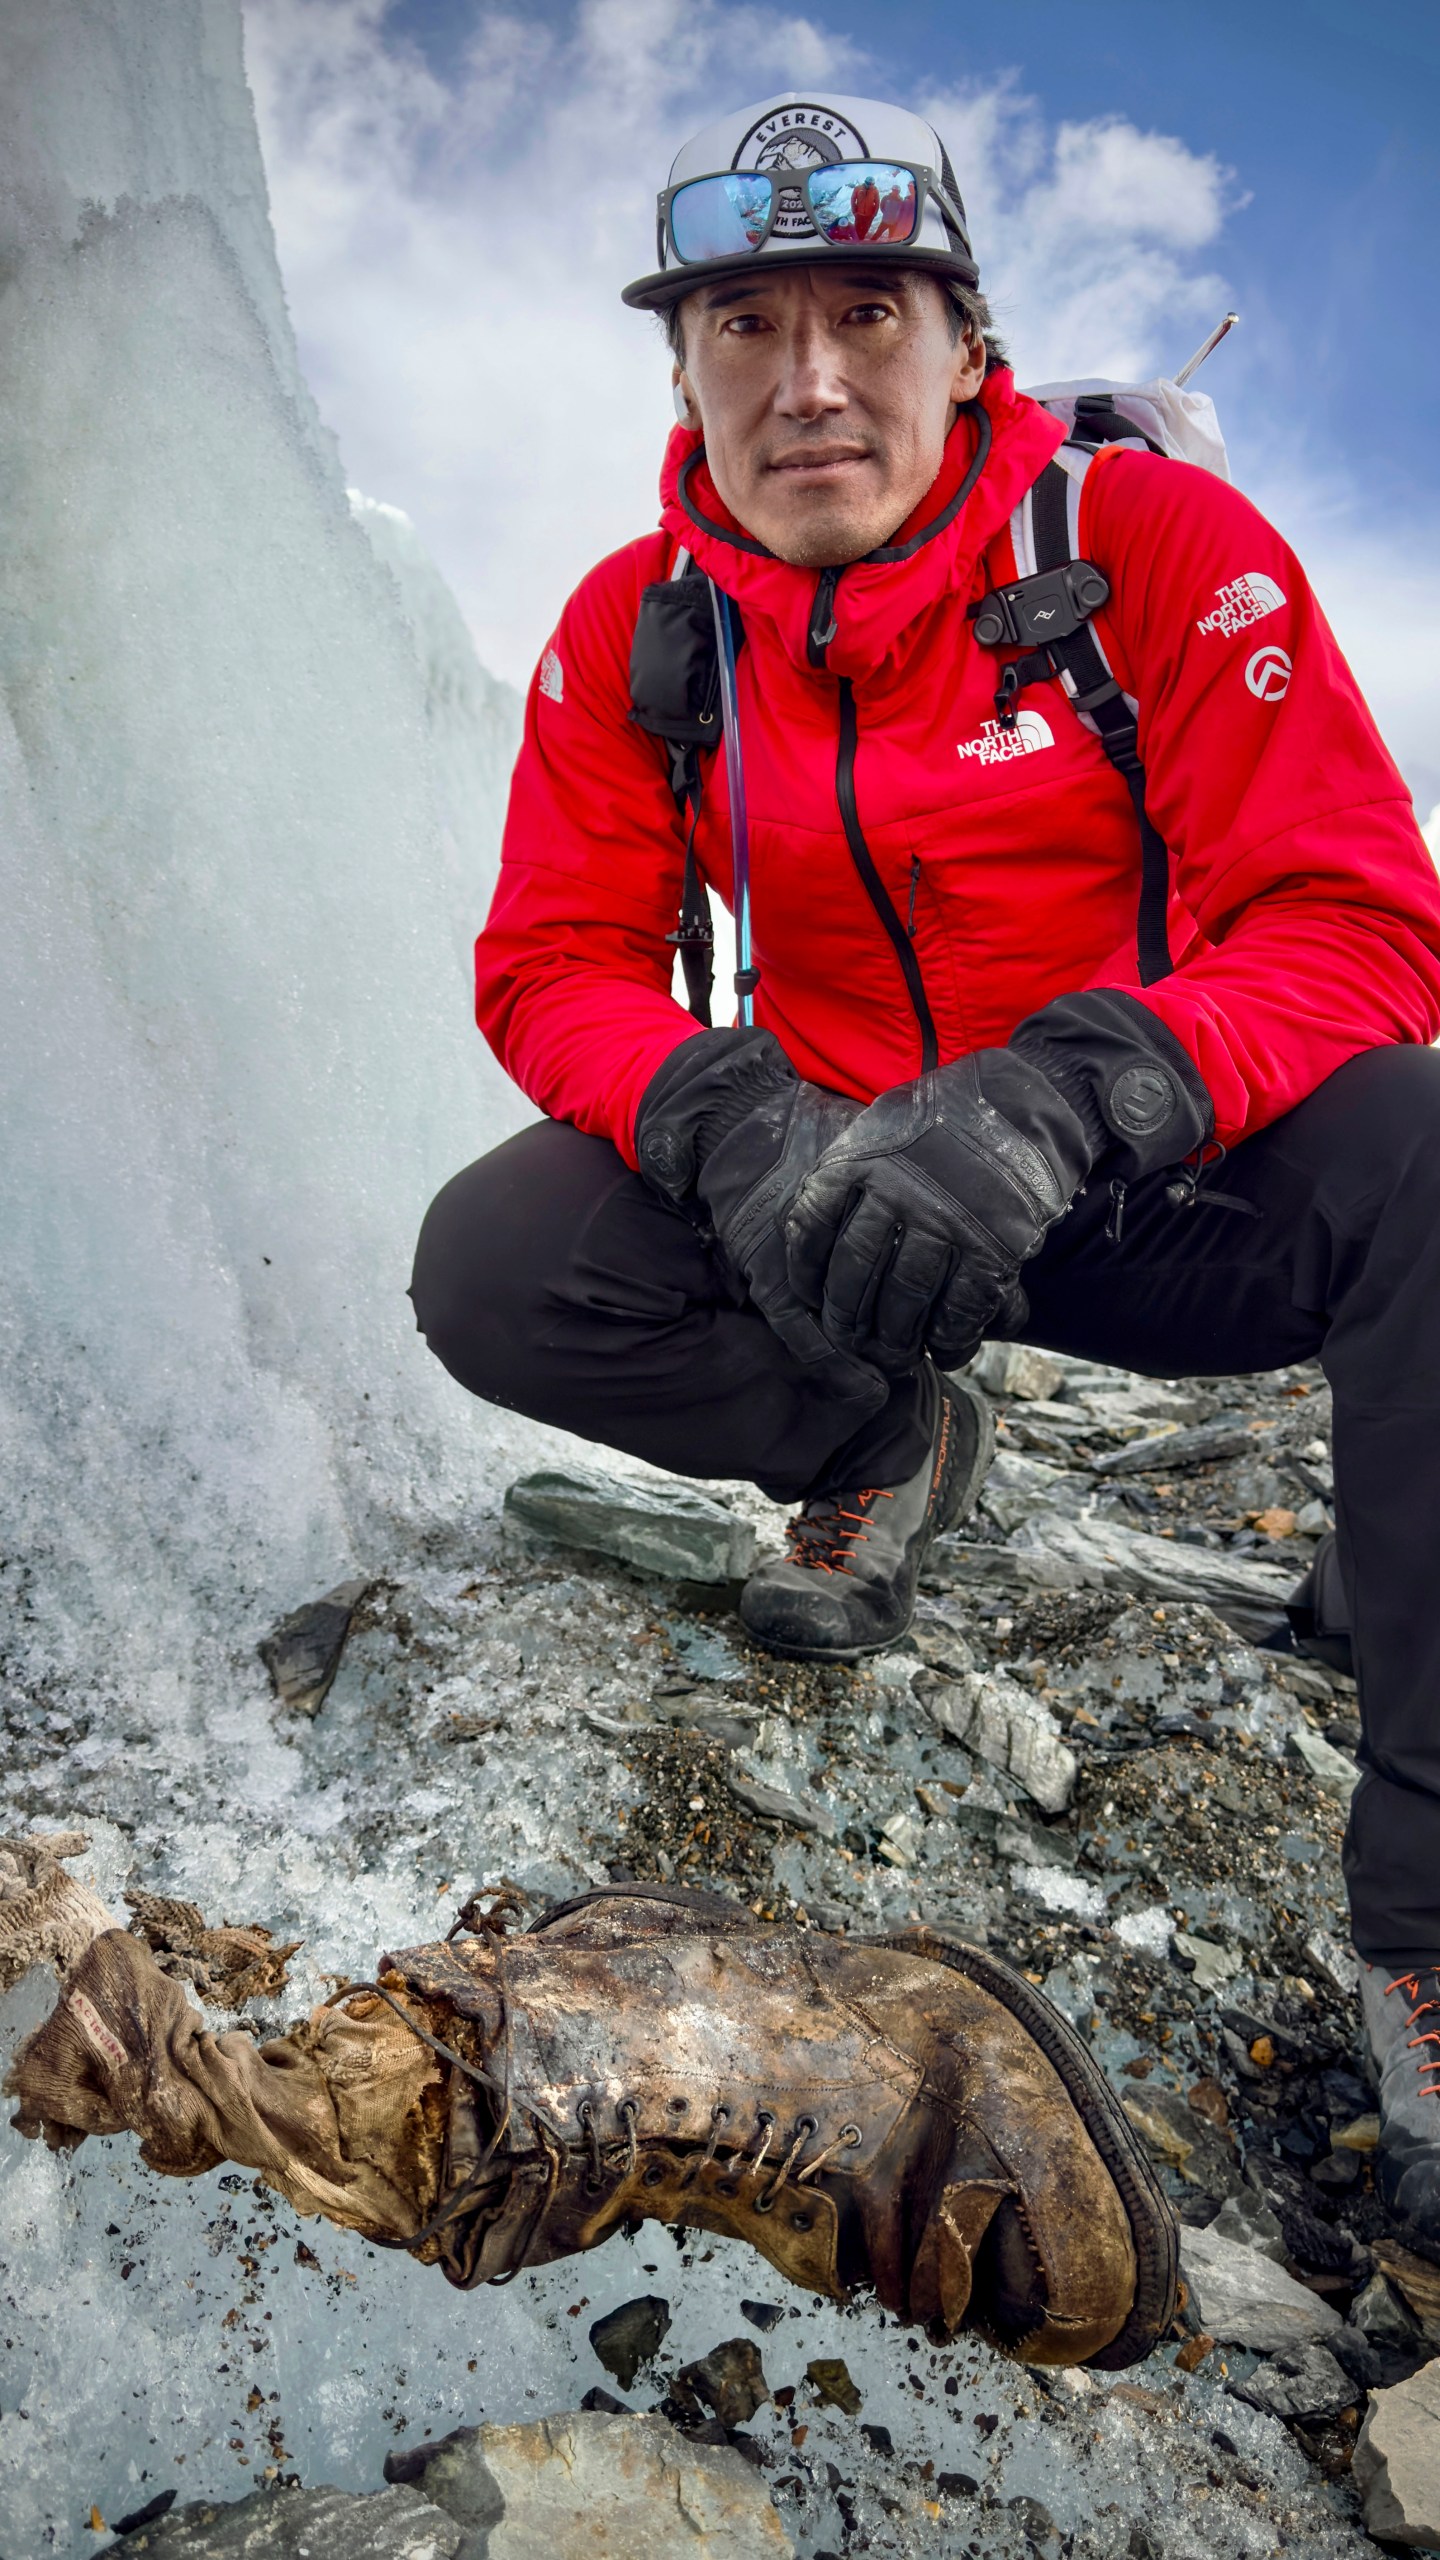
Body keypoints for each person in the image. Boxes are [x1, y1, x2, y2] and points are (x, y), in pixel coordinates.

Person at [411, 89, 1440, 2243]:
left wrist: (1082, 1085)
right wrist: (731, 1115)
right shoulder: (639, 632)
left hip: (1151, 1181)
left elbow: (1362, 919)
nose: (808, 380)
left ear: (969, 343)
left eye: (866, 314)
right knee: (497, 1261)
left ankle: (1428, 1907)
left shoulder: (1145, 548)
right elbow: (554, 960)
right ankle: (887, 1429)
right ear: (679, 368)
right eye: (745, 324)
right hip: (856, 1213)